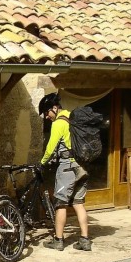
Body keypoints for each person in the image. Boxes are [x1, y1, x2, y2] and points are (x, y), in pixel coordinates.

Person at [38, 93, 91, 251]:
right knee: (78, 203)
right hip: (82, 166)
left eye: (47, 113)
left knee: (60, 204)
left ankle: (58, 240)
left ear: (55, 108)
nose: (47, 117)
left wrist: (41, 163)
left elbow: (50, 148)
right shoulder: (73, 117)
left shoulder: (59, 123)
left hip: (68, 167)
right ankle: (85, 240)